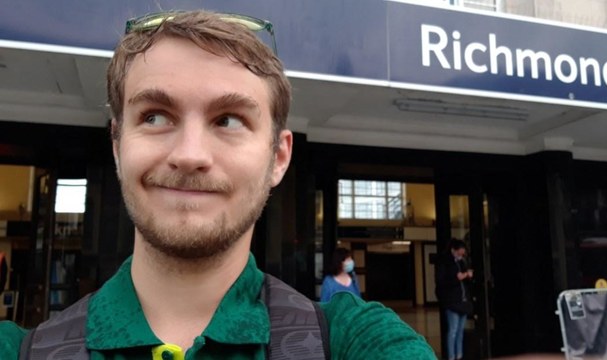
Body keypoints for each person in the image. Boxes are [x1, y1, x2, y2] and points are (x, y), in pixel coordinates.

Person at [0, 10, 436, 359]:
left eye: (228, 120)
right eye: (154, 116)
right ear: (116, 145)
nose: (190, 153)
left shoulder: (352, 340)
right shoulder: (18, 350)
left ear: (278, 157)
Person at [435, 239, 474, 360]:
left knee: (460, 331)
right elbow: (441, 282)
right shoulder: (445, 263)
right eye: (459, 253)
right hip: (452, 301)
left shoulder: (462, 262)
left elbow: (466, 282)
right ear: (453, 250)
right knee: (453, 330)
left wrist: (468, 276)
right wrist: (457, 278)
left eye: (462, 254)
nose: (461, 256)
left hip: (462, 301)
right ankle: (451, 356)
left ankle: (459, 355)